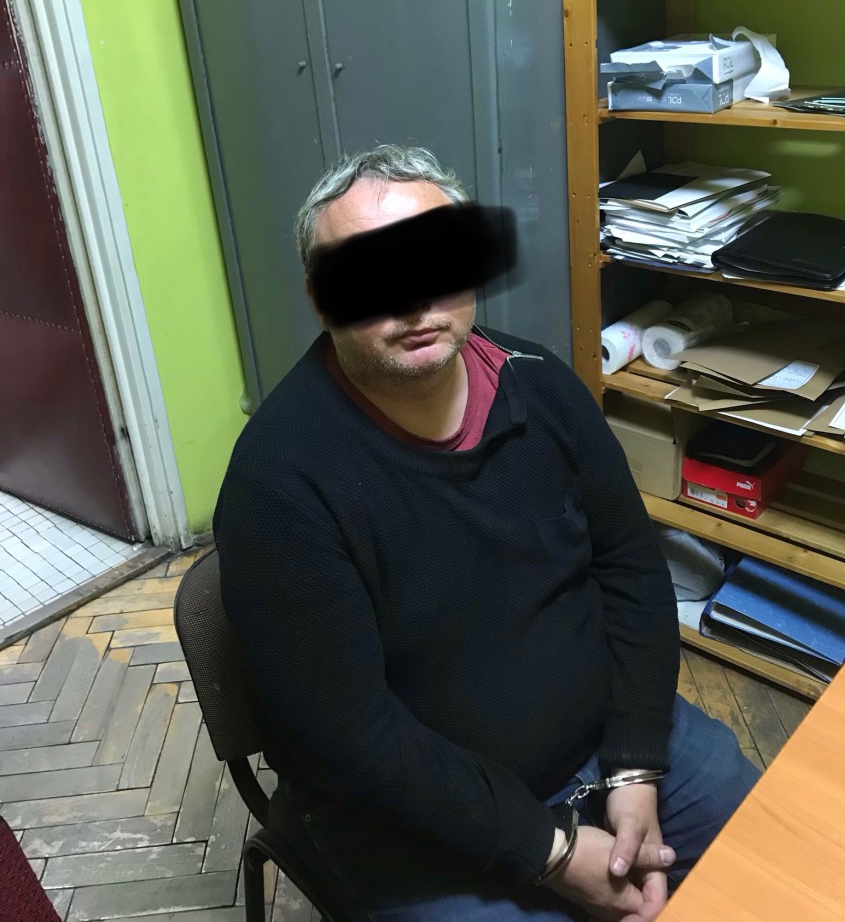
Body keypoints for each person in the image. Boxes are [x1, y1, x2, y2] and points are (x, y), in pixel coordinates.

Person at [213, 145, 759, 922]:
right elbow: (351, 738)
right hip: (418, 817)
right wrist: (551, 851)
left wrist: (635, 763)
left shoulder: (541, 383)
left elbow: (631, 568)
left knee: (767, 846)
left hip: (603, 745)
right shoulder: (278, 485)